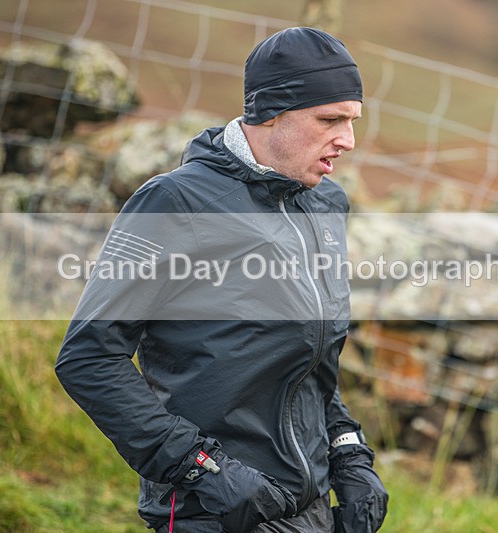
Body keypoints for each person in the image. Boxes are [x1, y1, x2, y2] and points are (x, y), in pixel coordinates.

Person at [55, 27, 388, 533]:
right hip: (215, 509)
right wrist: (202, 469)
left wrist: (350, 456)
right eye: (329, 120)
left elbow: (309, 361)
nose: (348, 140)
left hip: (310, 509)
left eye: (352, 120)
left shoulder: (325, 204)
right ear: (270, 112)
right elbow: (89, 357)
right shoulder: (174, 203)